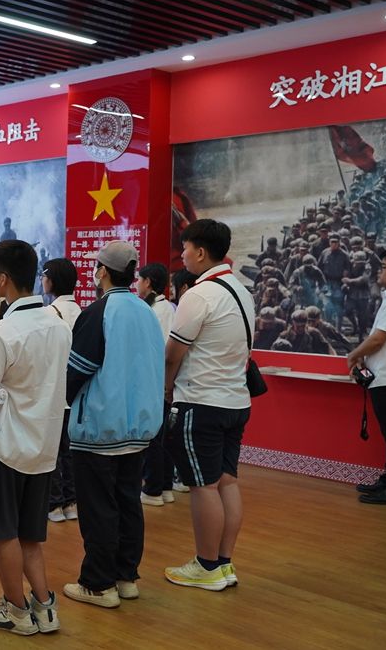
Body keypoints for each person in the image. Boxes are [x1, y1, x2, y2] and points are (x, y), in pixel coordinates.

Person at [0, 240, 71, 636]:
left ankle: (15, 609)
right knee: (31, 535)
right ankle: (44, 607)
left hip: (6, 445)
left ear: (3, 279)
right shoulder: (59, 326)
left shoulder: (1, 333)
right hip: (43, 445)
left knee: (3, 533)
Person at [62, 241, 164, 609]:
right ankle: (125, 576)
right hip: (139, 428)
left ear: (102, 271)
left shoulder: (98, 312)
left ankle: (97, 583)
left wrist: (63, 396)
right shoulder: (146, 311)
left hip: (100, 427)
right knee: (128, 502)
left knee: (98, 508)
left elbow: (78, 370)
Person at [164, 219, 254, 592]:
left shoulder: (199, 295)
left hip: (201, 402)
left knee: (202, 486)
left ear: (200, 252)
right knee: (227, 482)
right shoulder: (242, 290)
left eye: (185, 248)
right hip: (236, 401)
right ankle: (223, 563)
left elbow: (173, 354)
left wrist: (166, 388)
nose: (182, 254)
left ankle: (205, 565)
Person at [347, 247, 386, 505]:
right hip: (383, 377)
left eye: (385, 267)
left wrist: (353, 354)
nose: (380, 271)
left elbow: (378, 339)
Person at [41, 258, 81, 523]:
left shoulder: (48, 313)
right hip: (76, 392)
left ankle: (54, 504)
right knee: (70, 450)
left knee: (52, 450)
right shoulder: (83, 311)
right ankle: (72, 502)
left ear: (52, 280)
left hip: (54, 391)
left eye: (44, 275)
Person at [137, 263, 177, 507]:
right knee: (164, 437)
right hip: (163, 382)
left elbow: (157, 351)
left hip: (154, 383)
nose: (137, 284)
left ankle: (152, 489)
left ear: (148, 282)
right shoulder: (167, 308)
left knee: (152, 437)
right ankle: (165, 487)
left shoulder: (154, 310)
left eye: (139, 279)